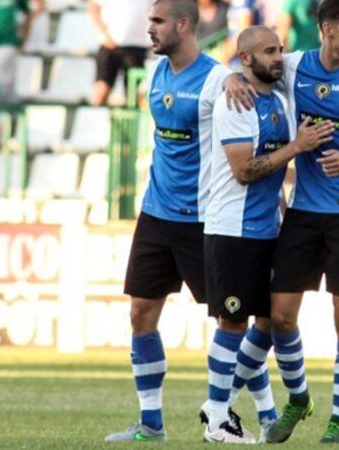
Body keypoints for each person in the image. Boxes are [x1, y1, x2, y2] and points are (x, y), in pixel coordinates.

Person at [225, 0, 339, 444]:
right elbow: (251, 64)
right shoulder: (295, 65)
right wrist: (228, 76)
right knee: (280, 316)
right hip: (303, 212)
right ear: (326, 29)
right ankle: (300, 398)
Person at [104, 0, 243, 442]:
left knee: (232, 318)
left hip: (204, 219)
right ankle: (151, 423)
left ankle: (232, 412)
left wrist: (240, 76)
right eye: (150, 21)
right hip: (156, 213)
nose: (150, 29)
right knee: (141, 313)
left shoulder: (220, 80)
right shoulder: (154, 72)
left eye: (158, 22)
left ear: (183, 25)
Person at [201, 26, 335, 444]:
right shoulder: (234, 101)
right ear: (245, 59)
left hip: (267, 229)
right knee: (233, 322)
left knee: (268, 321)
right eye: (269, 51)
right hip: (232, 228)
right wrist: (297, 147)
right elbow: (244, 172)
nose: (279, 57)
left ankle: (224, 407)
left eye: (281, 50)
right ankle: (218, 415)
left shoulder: (277, 100)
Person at [88, 0, 151, 106]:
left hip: (137, 46)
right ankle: (93, 118)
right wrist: (103, 34)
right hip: (110, 46)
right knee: (101, 92)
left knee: (133, 95)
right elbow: (93, 6)